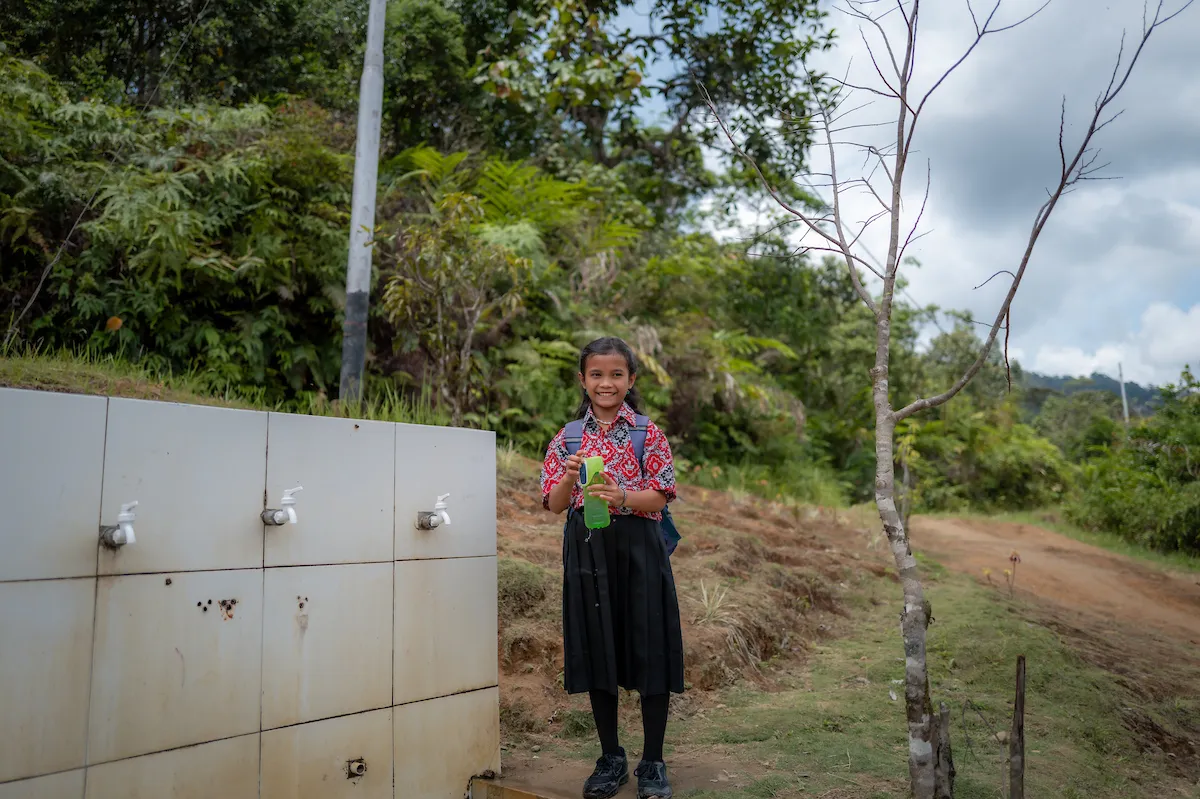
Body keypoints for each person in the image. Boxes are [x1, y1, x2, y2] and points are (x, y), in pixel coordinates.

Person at [540, 336, 685, 799]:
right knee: (597, 647)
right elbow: (552, 504)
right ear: (583, 380)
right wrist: (569, 473)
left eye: (616, 374)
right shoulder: (567, 438)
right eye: (597, 374)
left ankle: (653, 763)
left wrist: (622, 495)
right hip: (588, 549)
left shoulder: (647, 432)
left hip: (640, 549)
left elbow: (661, 495)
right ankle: (610, 758)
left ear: (630, 380)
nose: (606, 383)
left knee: (651, 648)